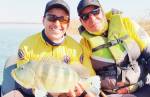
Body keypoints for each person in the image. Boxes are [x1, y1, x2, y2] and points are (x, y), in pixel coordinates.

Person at [1, 0, 96, 97]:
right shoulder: (27, 45)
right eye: (51, 18)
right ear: (43, 20)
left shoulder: (76, 48)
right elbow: (26, 81)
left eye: (63, 19)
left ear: (68, 24)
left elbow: (78, 74)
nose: (57, 23)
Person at [77, 0, 150, 97]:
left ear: (102, 12)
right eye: (85, 17)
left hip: (142, 87)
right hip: (111, 94)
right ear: (81, 21)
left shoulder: (127, 24)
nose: (92, 18)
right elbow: (89, 79)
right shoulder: (84, 44)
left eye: (95, 12)